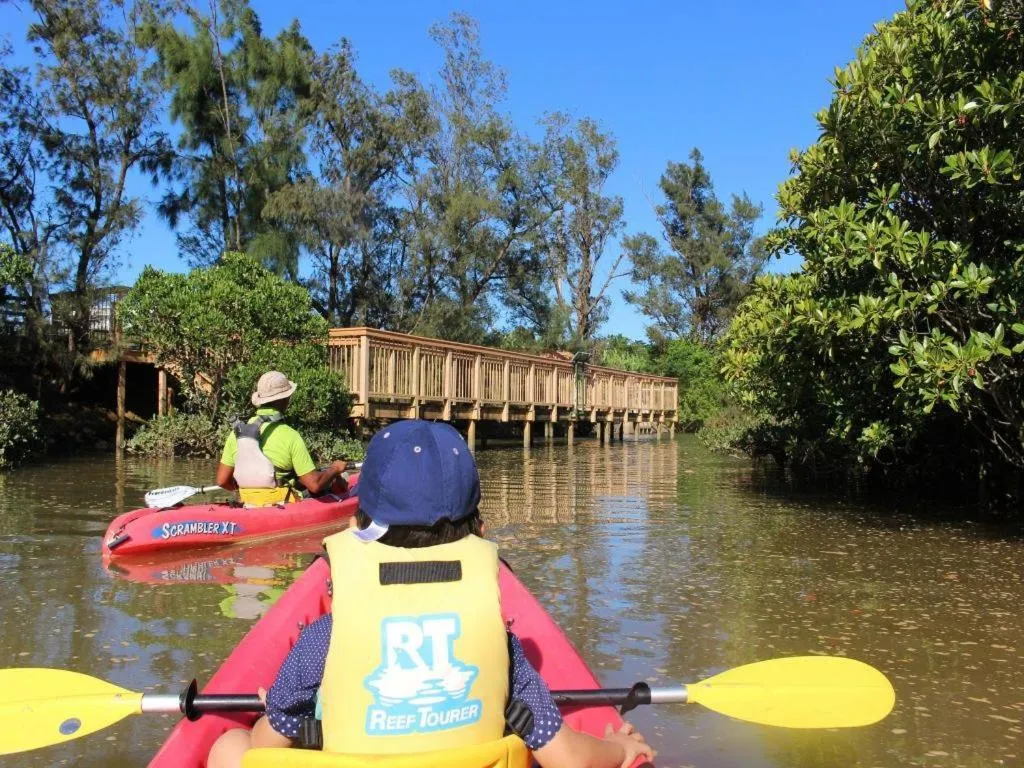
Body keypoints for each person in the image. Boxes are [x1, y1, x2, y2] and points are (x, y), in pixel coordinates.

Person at [208, 420, 654, 768]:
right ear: (479, 530)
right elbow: (568, 757)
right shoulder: (500, 643)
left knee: (230, 747)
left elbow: (266, 744)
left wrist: (277, 712)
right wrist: (618, 748)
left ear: (357, 526)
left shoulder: (322, 638)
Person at [216, 371, 348, 506]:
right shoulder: (290, 435)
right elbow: (314, 484)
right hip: (281, 503)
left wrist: (252, 492)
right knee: (331, 484)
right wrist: (335, 469)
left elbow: (222, 481)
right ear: (284, 400)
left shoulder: (236, 434)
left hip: (247, 502)